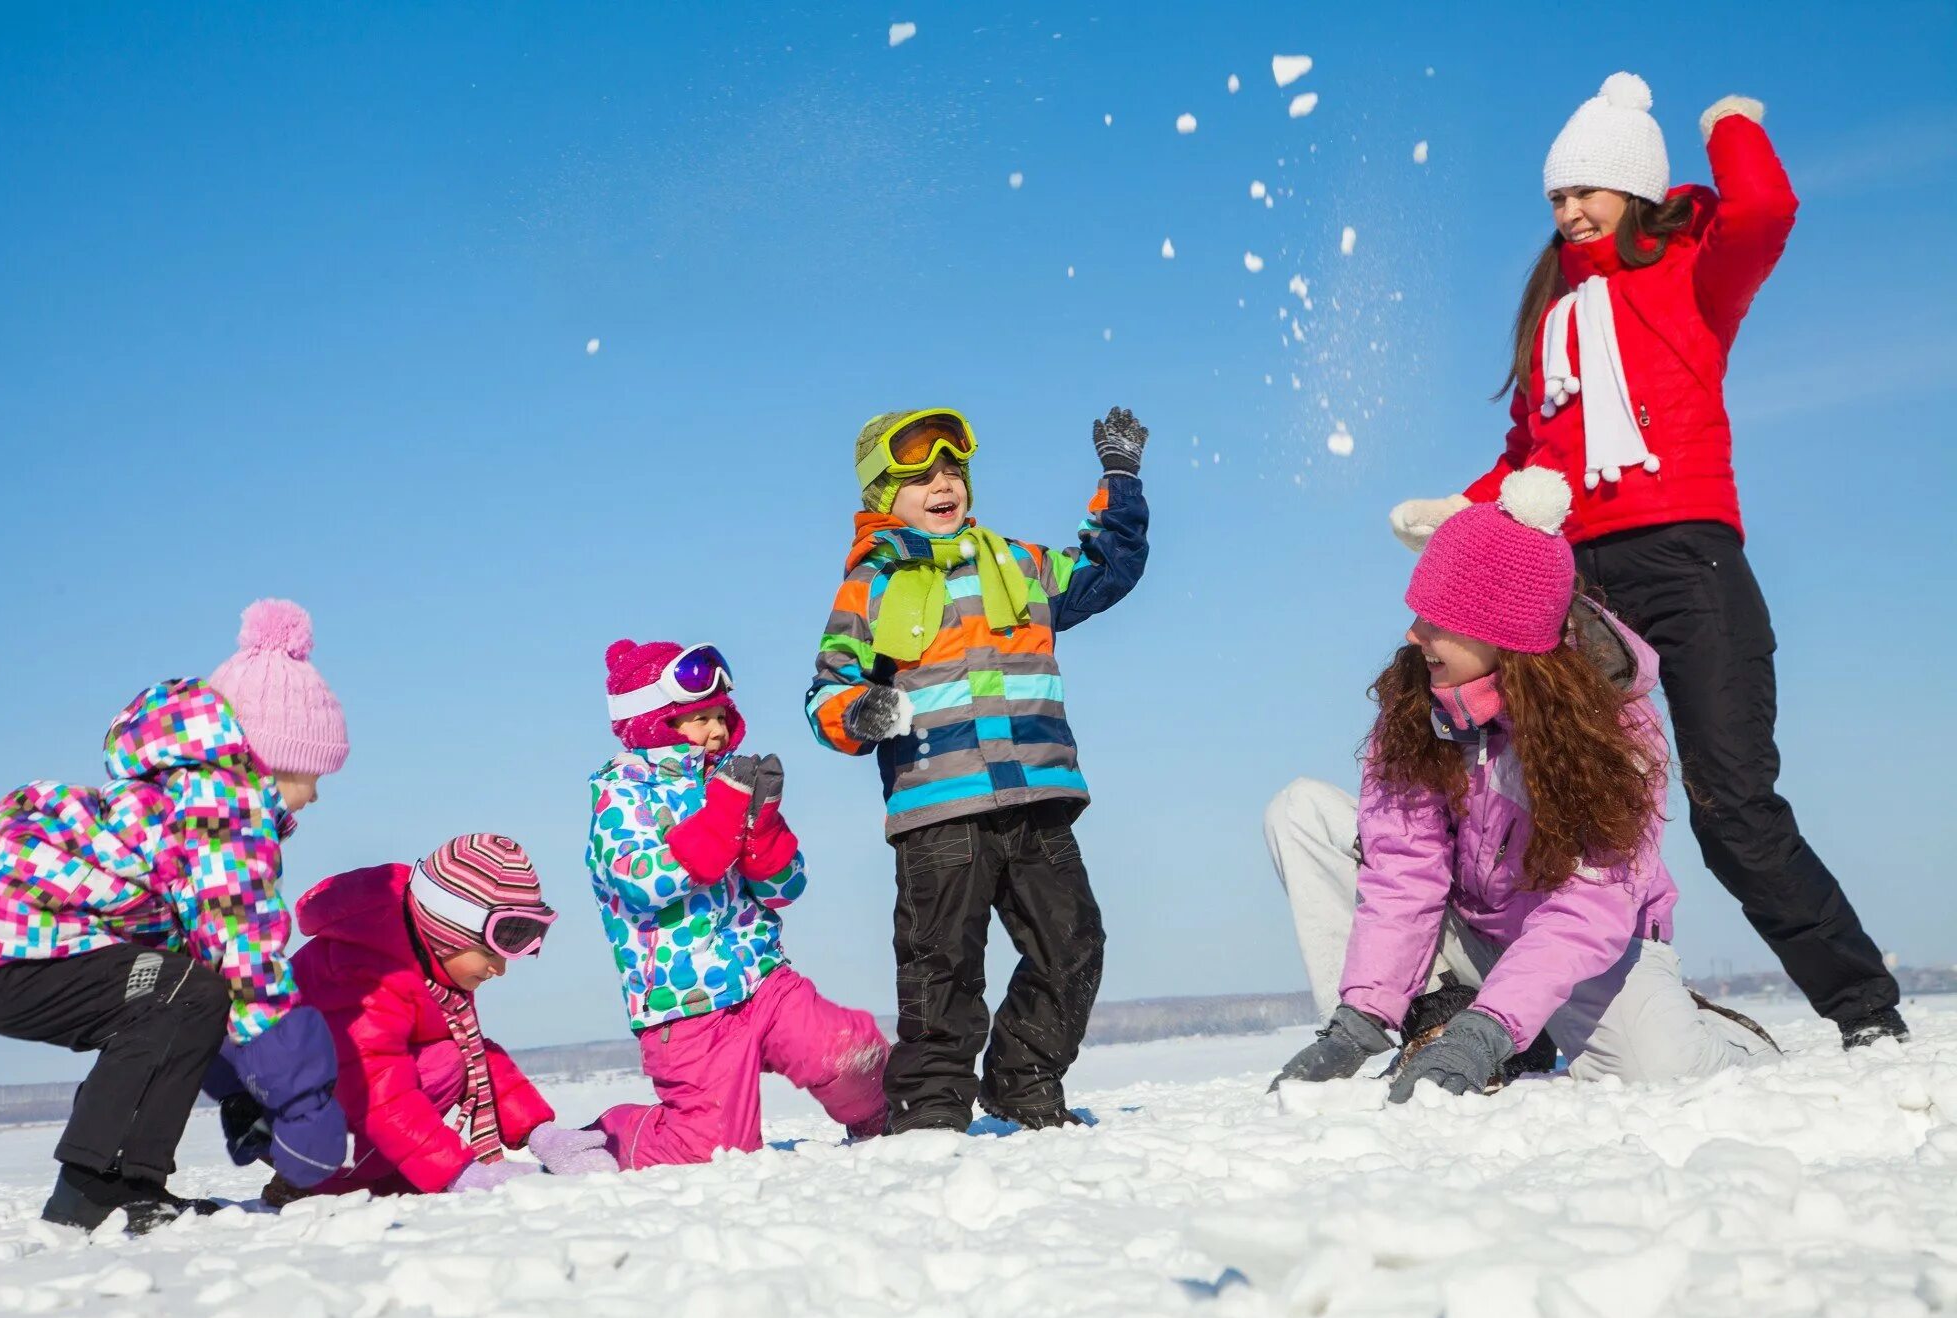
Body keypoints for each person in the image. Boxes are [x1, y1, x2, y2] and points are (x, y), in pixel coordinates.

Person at [1385, 73, 1903, 1048]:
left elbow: (1764, 206)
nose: (1568, 210)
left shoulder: (1693, 274)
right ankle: (1514, 996)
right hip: (1575, 584)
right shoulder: (1549, 322)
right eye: (1554, 196)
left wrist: (1730, 127)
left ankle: (1861, 1006)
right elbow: (1527, 454)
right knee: (1539, 790)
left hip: (1689, 567)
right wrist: (1460, 506)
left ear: (1631, 191)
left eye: (1585, 190)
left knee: (1730, 804)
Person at [1270, 469, 1777, 1099]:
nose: (1413, 634)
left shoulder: (1614, 727)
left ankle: (1715, 1036)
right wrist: (1361, 1020)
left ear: (1503, 634)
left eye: (1437, 619)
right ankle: (1425, 1019)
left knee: (1660, 1072)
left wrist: (1491, 1028)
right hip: (1472, 931)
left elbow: (1591, 907)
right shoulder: (1419, 703)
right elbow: (1404, 869)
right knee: (1301, 812)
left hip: (1587, 949)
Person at [0, 599, 348, 1231]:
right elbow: (250, 966)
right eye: (309, 771)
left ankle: (130, 1186)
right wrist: (307, 1112)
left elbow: (212, 980)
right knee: (184, 990)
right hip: (12, 960)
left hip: (6, 958)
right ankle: (97, 1190)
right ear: (266, 756)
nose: (315, 793)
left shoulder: (186, 801)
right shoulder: (222, 814)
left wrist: (240, 1093)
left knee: (185, 989)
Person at [805, 407, 1149, 1131]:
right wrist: (861, 710)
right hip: (940, 812)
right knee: (942, 970)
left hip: (1037, 799)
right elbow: (826, 694)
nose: (944, 482)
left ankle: (1023, 1078)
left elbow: (1105, 568)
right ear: (881, 496)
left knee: (1074, 944)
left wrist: (1120, 479)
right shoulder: (871, 587)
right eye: (921, 474)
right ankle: (928, 1113)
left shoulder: (1018, 563)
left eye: (953, 468)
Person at [587, 640, 889, 1168]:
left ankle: (887, 1124)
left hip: (762, 975)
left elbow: (786, 889)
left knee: (847, 1052)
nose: (717, 730)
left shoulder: (728, 785)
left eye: (721, 716)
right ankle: (610, 1138)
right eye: (698, 718)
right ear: (655, 725)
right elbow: (646, 883)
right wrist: (721, 821)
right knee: (713, 1149)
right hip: (685, 1005)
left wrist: (763, 836)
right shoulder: (622, 798)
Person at [265, 833, 611, 1201]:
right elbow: (377, 1083)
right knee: (442, 1062)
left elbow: (475, 1055)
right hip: (285, 1111)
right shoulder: (368, 973)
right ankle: (317, 1183)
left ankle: (377, 1176)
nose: (500, 970)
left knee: (450, 1056)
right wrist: (458, 1171)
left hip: (329, 1099)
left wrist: (544, 1136)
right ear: (450, 932)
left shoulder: (430, 964)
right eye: (490, 953)